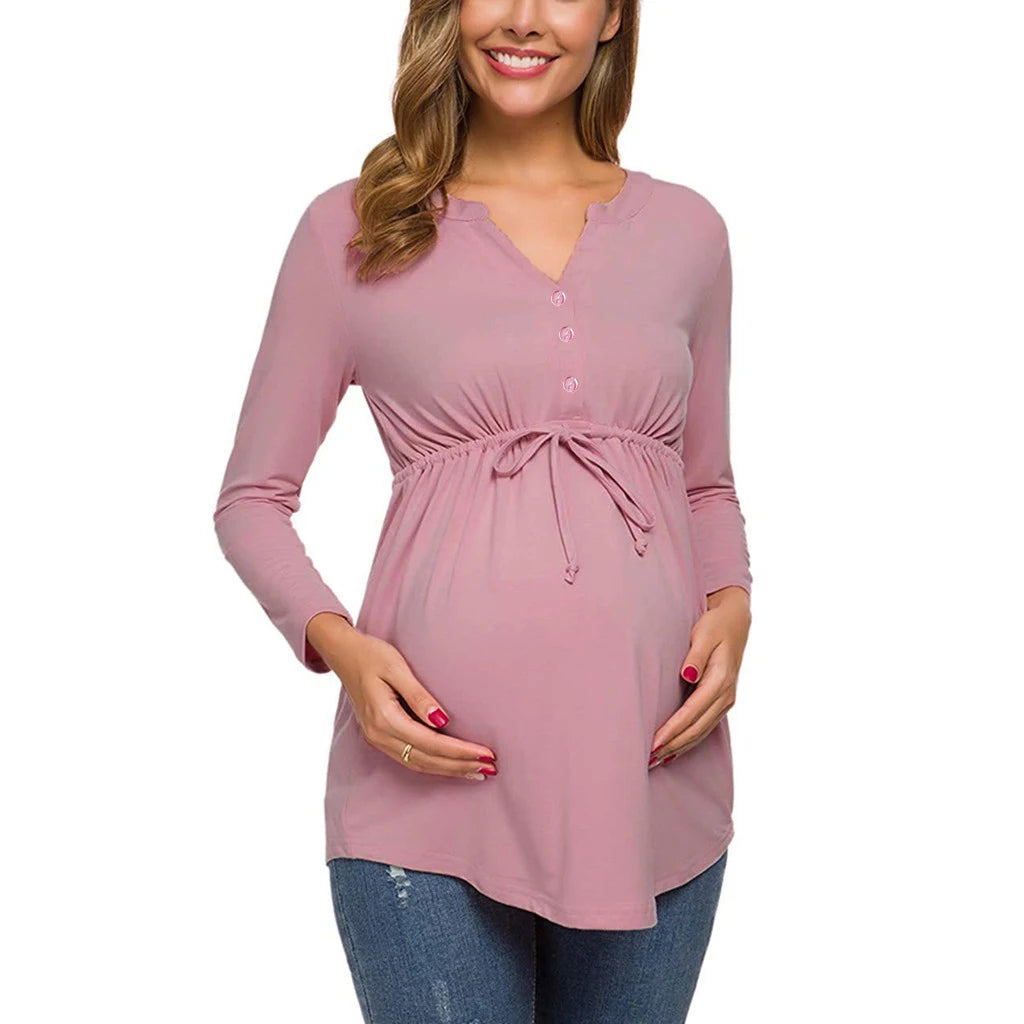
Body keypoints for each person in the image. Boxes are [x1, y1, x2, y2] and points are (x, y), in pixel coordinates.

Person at [212, 1, 753, 1020]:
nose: (525, 19)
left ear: (612, 17)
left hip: (652, 781)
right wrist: (341, 648)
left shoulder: (690, 232)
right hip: (427, 786)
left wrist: (733, 608)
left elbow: (705, 483)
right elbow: (252, 499)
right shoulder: (356, 226)